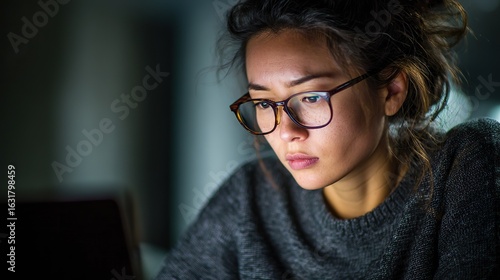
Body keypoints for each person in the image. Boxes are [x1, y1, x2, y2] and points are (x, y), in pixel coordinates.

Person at [155, 0, 500, 279]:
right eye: (263, 103)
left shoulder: (465, 167)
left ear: (391, 90)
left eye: (311, 97)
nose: (286, 131)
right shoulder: (249, 197)